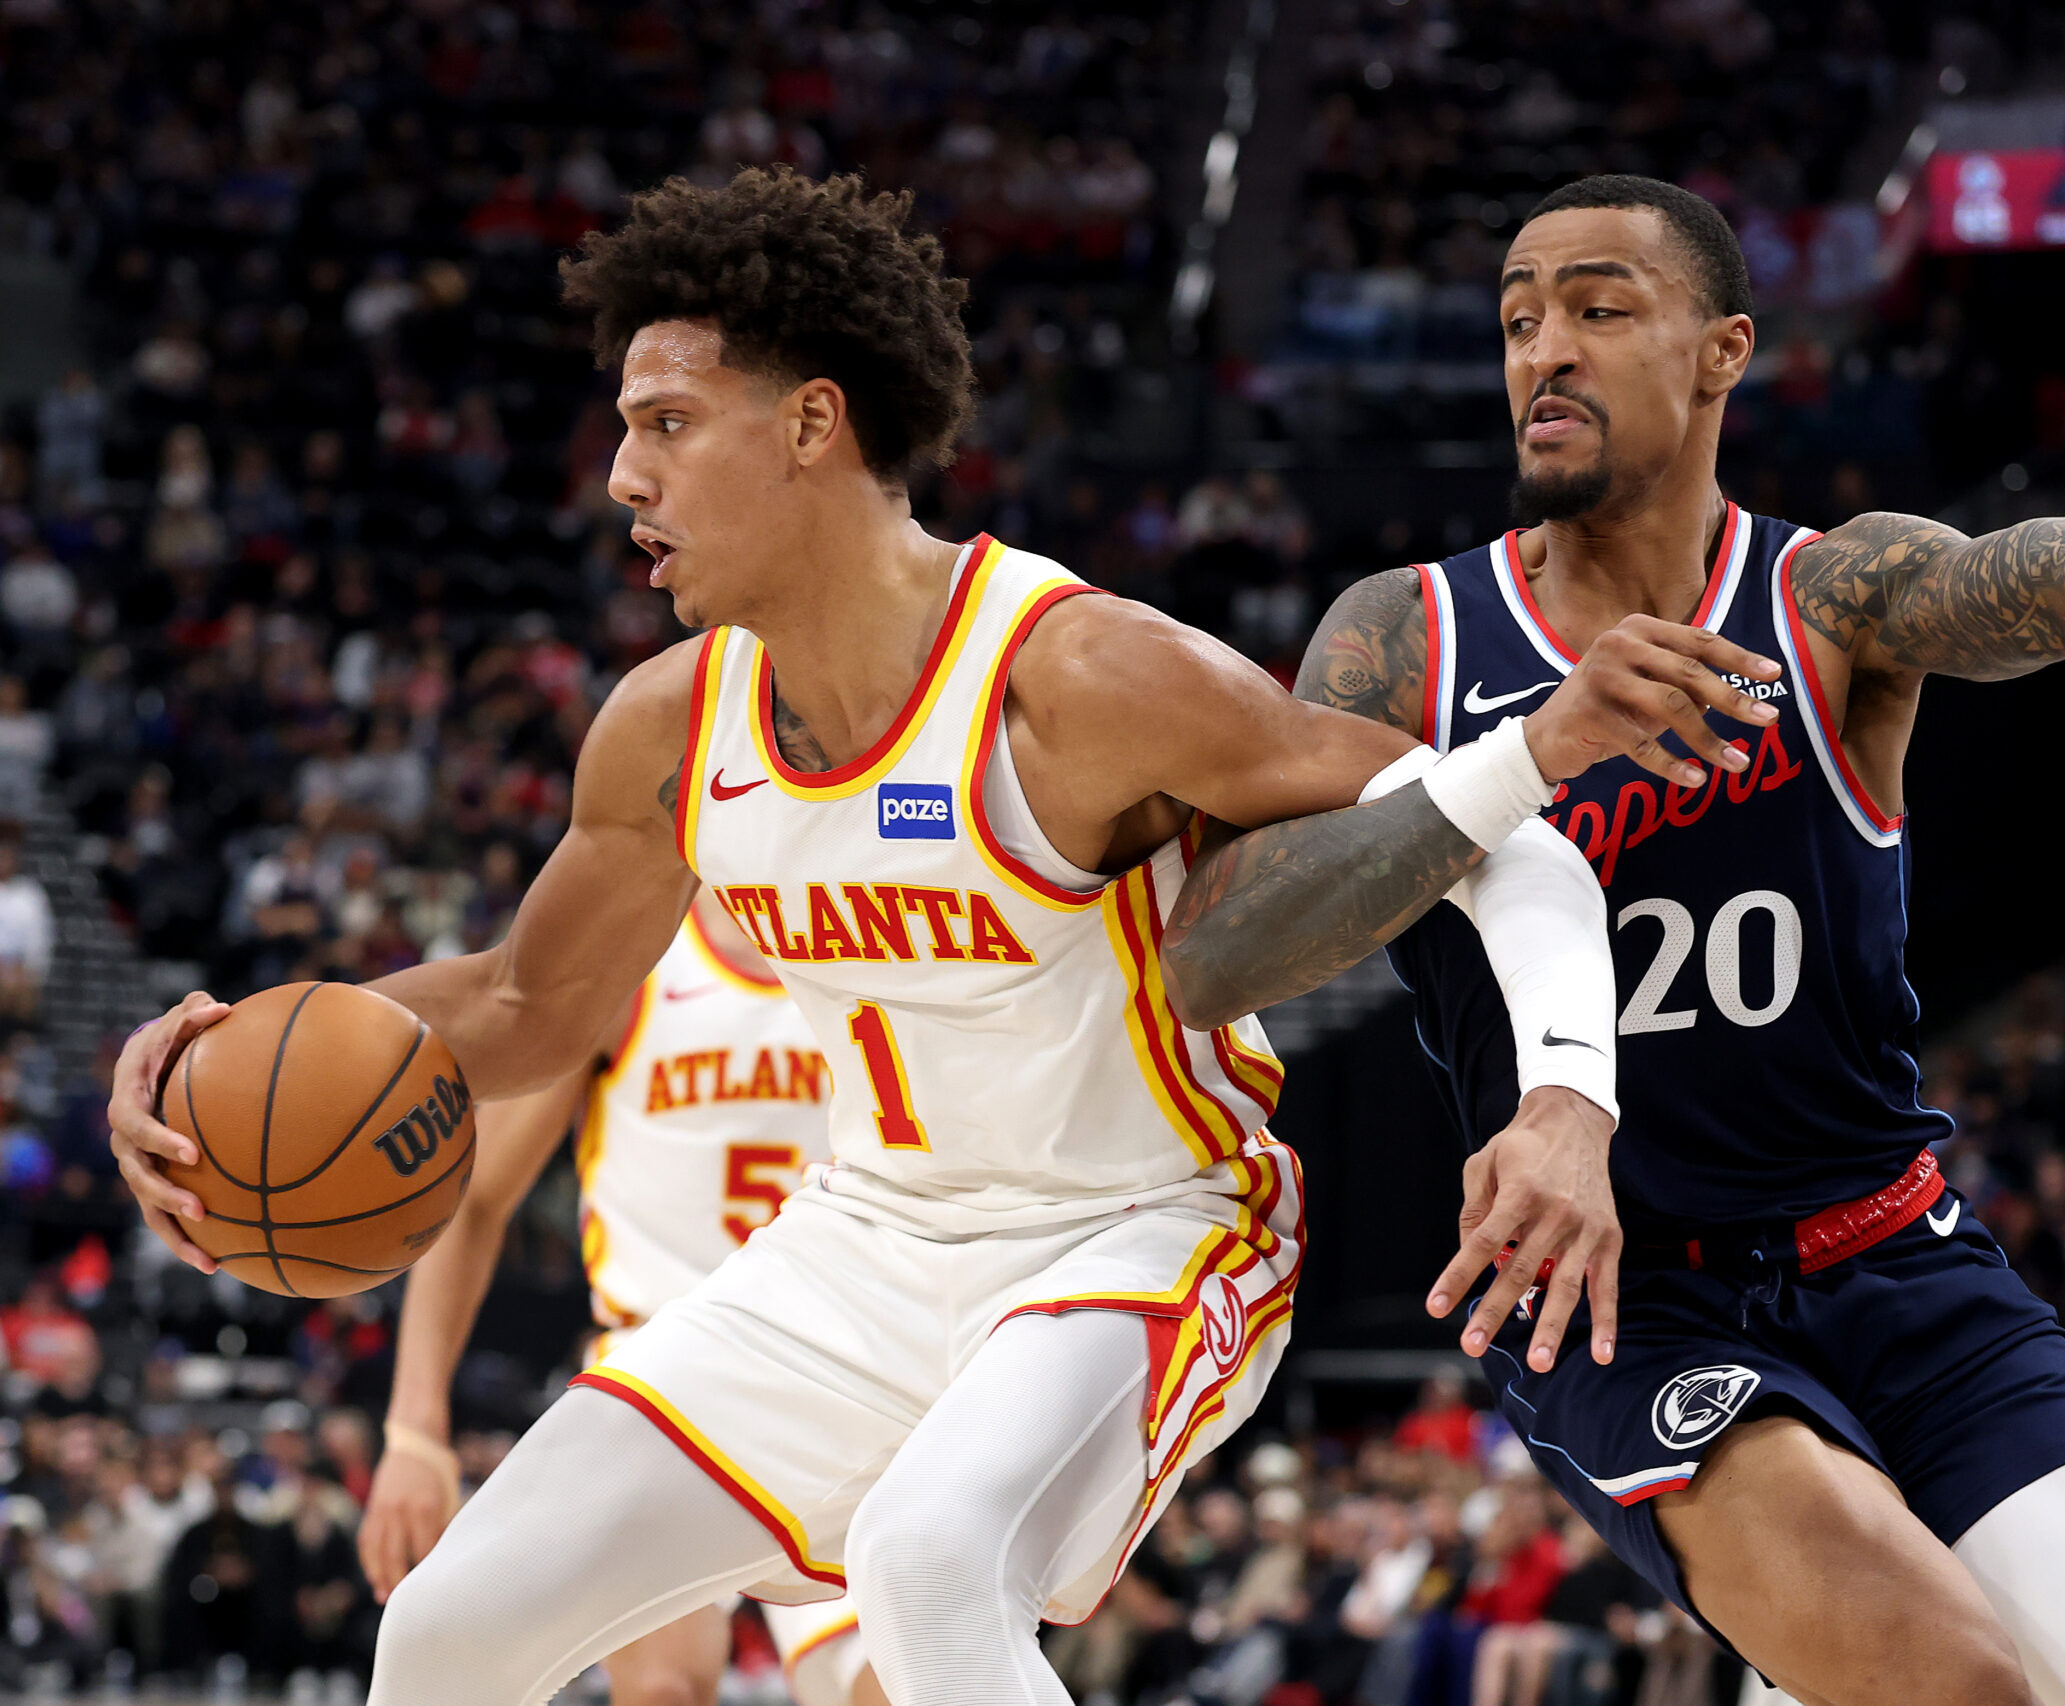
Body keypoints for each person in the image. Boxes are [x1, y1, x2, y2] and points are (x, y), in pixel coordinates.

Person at [107, 166, 1761, 1704]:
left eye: (669, 422)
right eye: (628, 428)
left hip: (1143, 1232)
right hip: (861, 1244)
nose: (624, 476)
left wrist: (1564, 1099)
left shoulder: (1078, 677)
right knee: (448, 1628)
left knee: (928, 1561)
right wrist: (214, 1041)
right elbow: (527, 1004)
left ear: (812, 425)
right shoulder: (669, 729)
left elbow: (1506, 829)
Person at [1162, 25, 2065, 1706]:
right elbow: (1213, 955)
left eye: (1596, 306)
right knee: (1958, 1683)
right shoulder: (1410, 637)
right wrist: (1518, 761)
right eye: (1518, 318)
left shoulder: (1830, 599)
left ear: (1725, 350)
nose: (1544, 351)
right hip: (1627, 1306)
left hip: (1906, 1260)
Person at [354, 888, 879, 1706]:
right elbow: (476, 1198)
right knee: (663, 1688)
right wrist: (414, 1432)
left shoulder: (885, 956)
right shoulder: (635, 965)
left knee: (888, 1686)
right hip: (664, 1372)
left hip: (848, 1370)